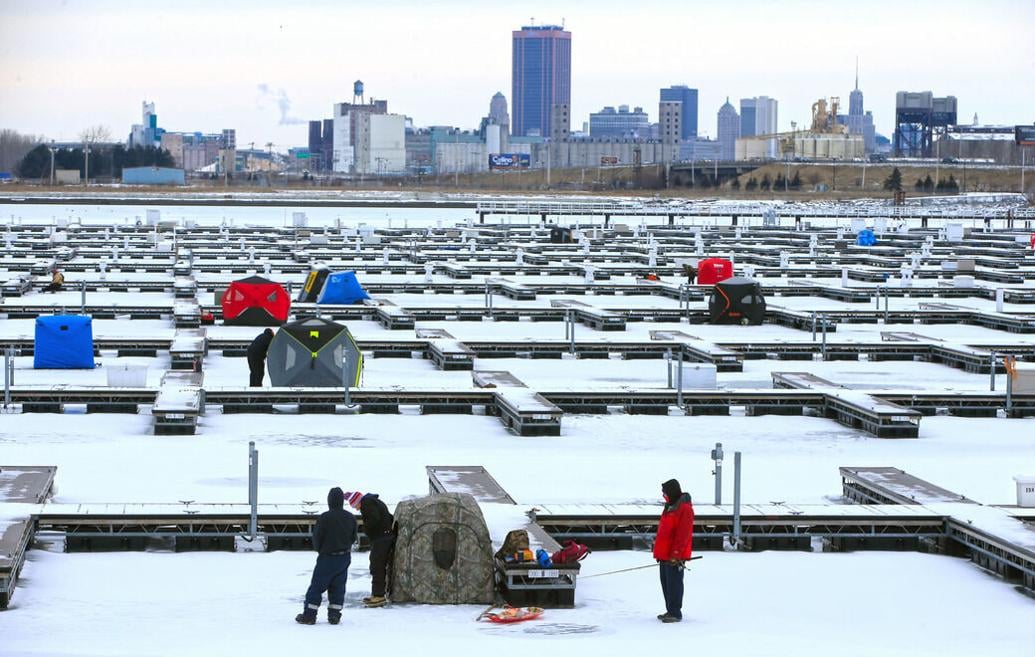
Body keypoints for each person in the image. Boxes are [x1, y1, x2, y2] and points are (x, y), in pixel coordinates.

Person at [297, 487, 357, 625]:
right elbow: (353, 537)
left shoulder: (324, 517)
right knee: (338, 587)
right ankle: (334, 615)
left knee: (317, 586)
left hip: (327, 557)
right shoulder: (350, 517)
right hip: (344, 557)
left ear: (329, 501)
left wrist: (321, 550)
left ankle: (309, 615)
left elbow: (317, 538)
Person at [653, 478, 694, 623]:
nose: (664, 496)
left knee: (674, 584)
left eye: (665, 493)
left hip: (674, 556)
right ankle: (670, 610)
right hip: (664, 554)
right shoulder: (669, 506)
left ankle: (675, 612)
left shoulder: (685, 509)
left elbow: (683, 534)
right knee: (666, 584)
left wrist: (676, 554)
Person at [344, 491, 395, 608]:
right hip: (385, 536)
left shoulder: (367, 504)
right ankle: (377, 593)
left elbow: (374, 520)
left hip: (381, 538)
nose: (356, 509)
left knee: (377, 565)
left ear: (357, 501)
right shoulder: (372, 502)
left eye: (355, 506)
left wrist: (366, 529)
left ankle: (378, 595)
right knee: (377, 565)